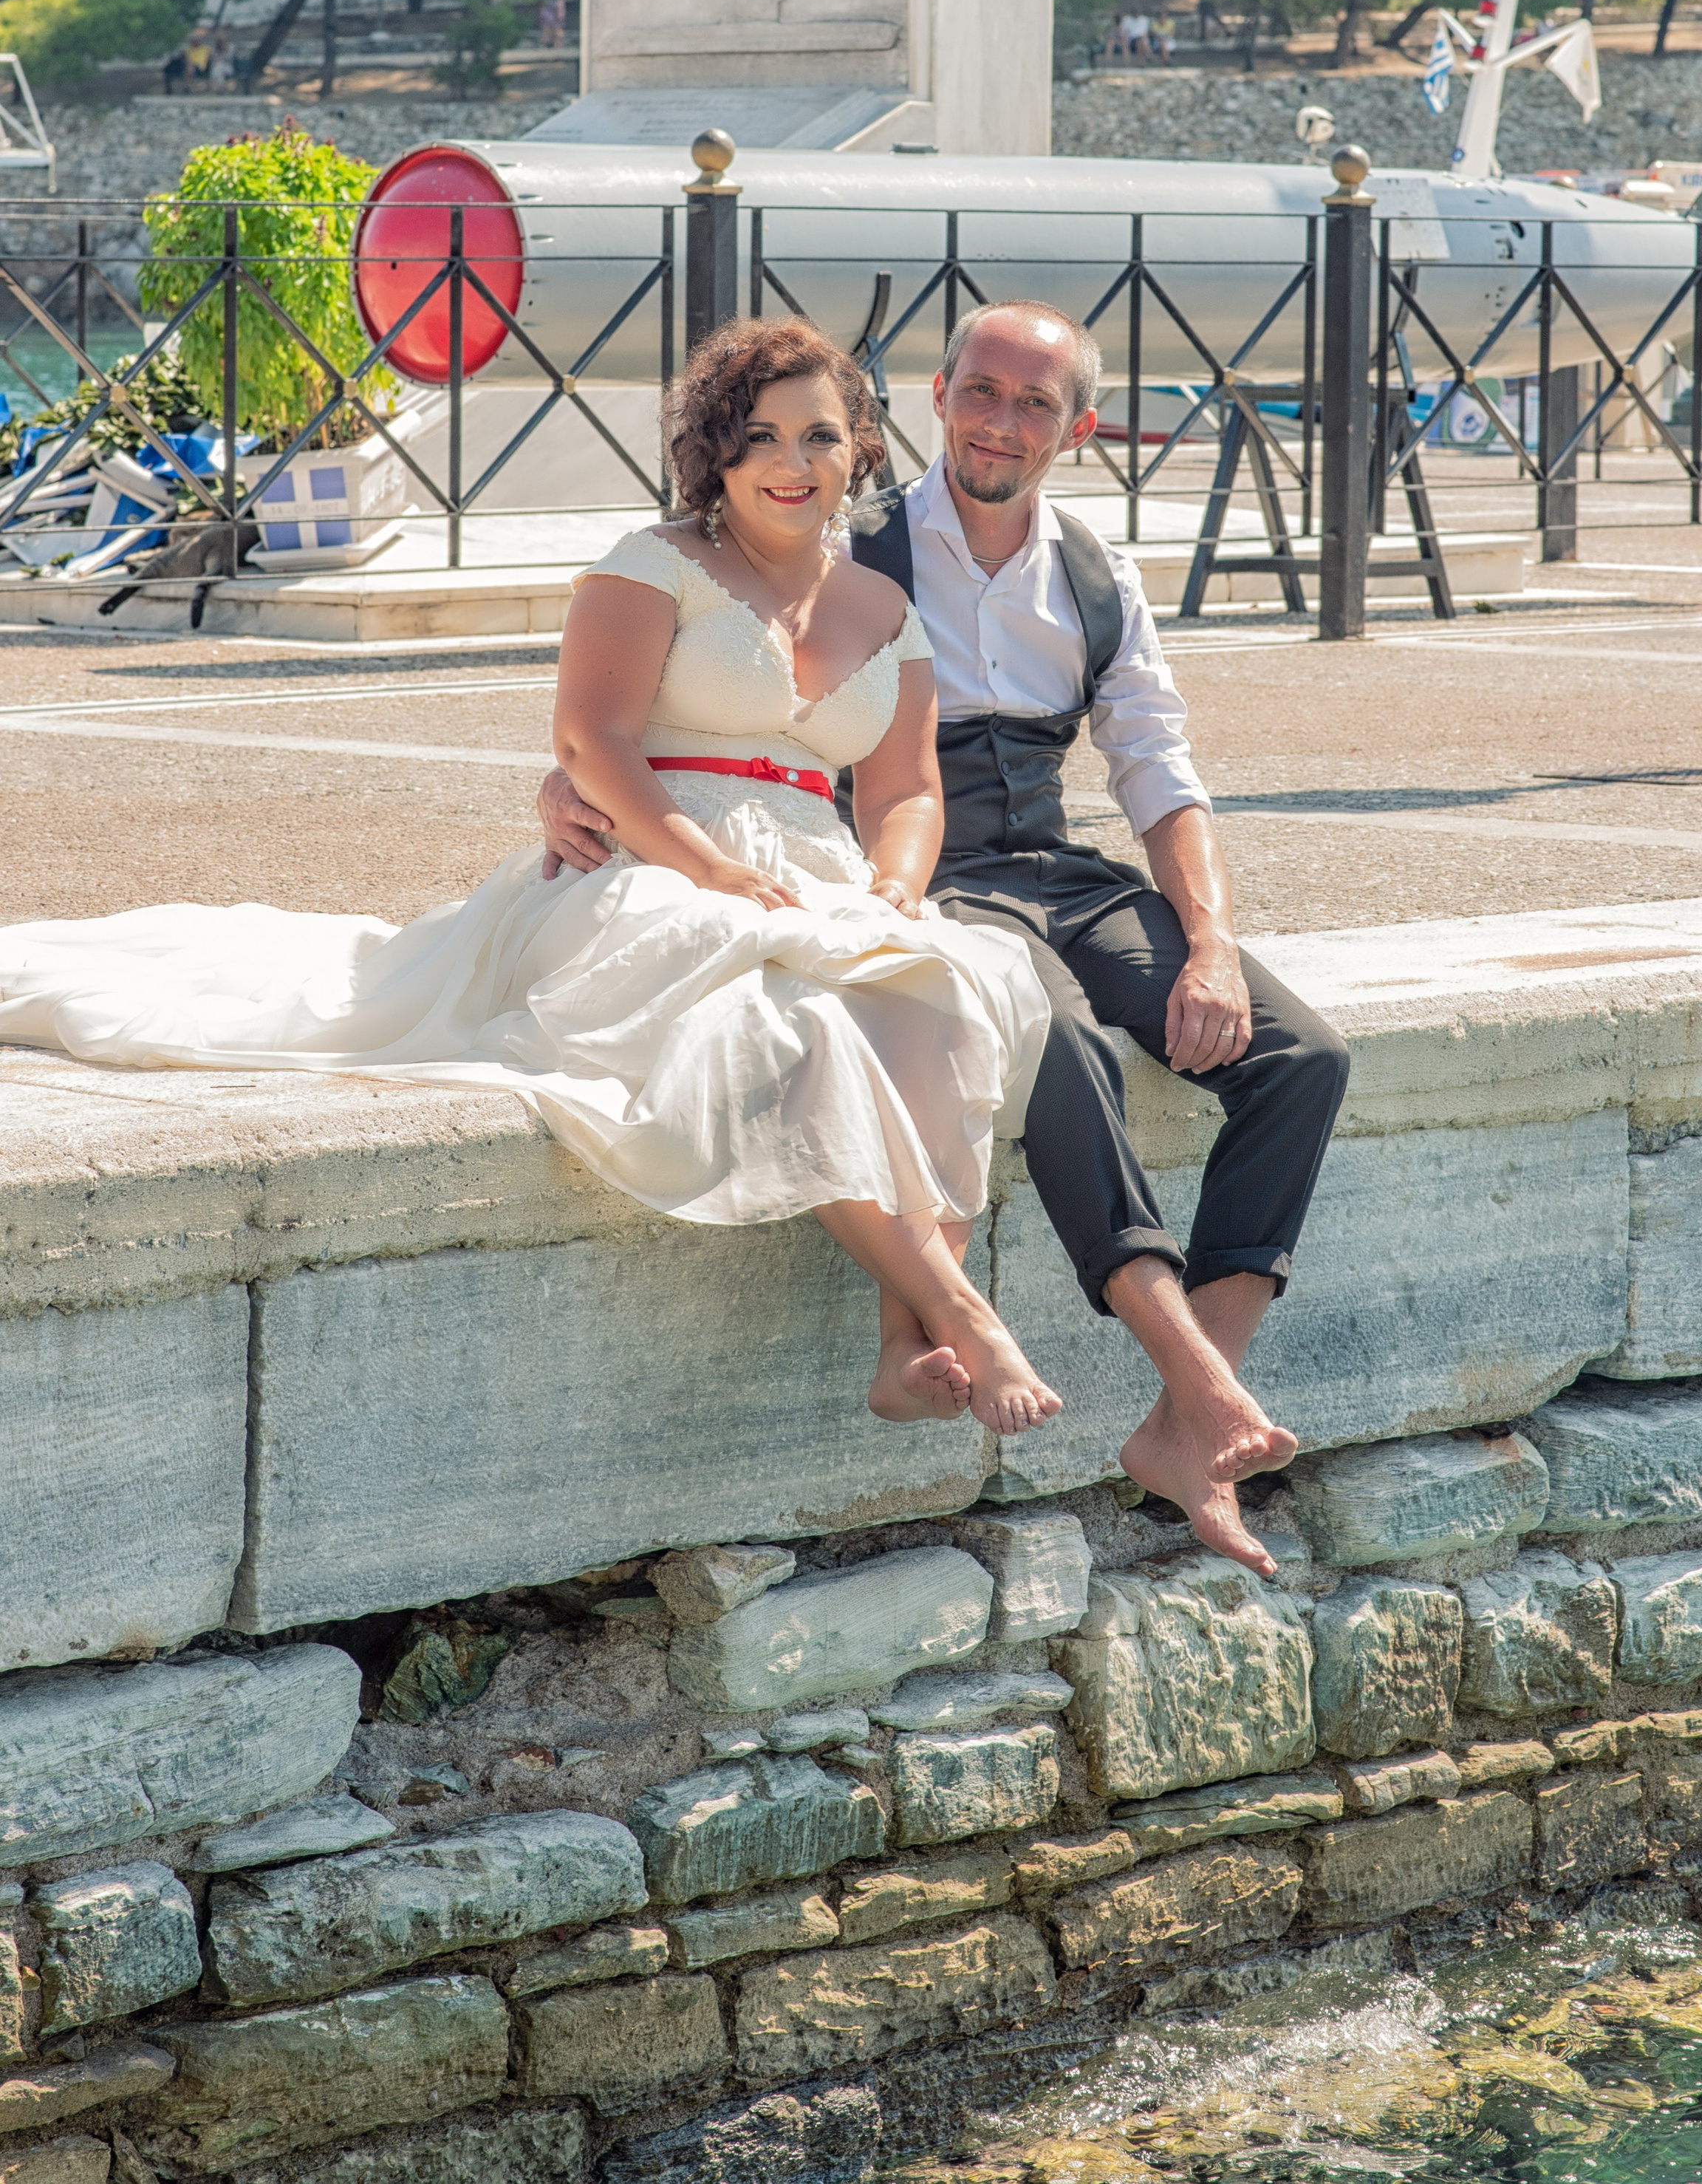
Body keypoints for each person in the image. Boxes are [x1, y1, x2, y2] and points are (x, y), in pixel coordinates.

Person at [0, 319, 1063, 1442]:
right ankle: (964, 1314)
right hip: (645, 860)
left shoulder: (885, 613)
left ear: (859, 450)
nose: (792, 465)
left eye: (819, 437)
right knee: (783, 1023)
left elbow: (906, 792)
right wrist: (706, 868)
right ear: (717, 452)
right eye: (759, 438)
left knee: (936, 999)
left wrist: (897, 884)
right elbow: (591, 741)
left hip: (818, 871)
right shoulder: (652, 563)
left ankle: (904, 1347)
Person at [542, 303, 1350, 1574]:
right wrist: (572, 785)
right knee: (1061, 1046)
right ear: (934, 396)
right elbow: (677, 684)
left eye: (1034, 405)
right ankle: (1188, 1377)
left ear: (1076, 429)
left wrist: (1210, 942)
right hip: (916, 876)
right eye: (982, 391)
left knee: (1303, 1056)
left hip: (1049, 861)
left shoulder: (1096, 571)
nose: (1000, 422)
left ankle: (1194, 1412)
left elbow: (1158, 771)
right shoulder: (828, 530)